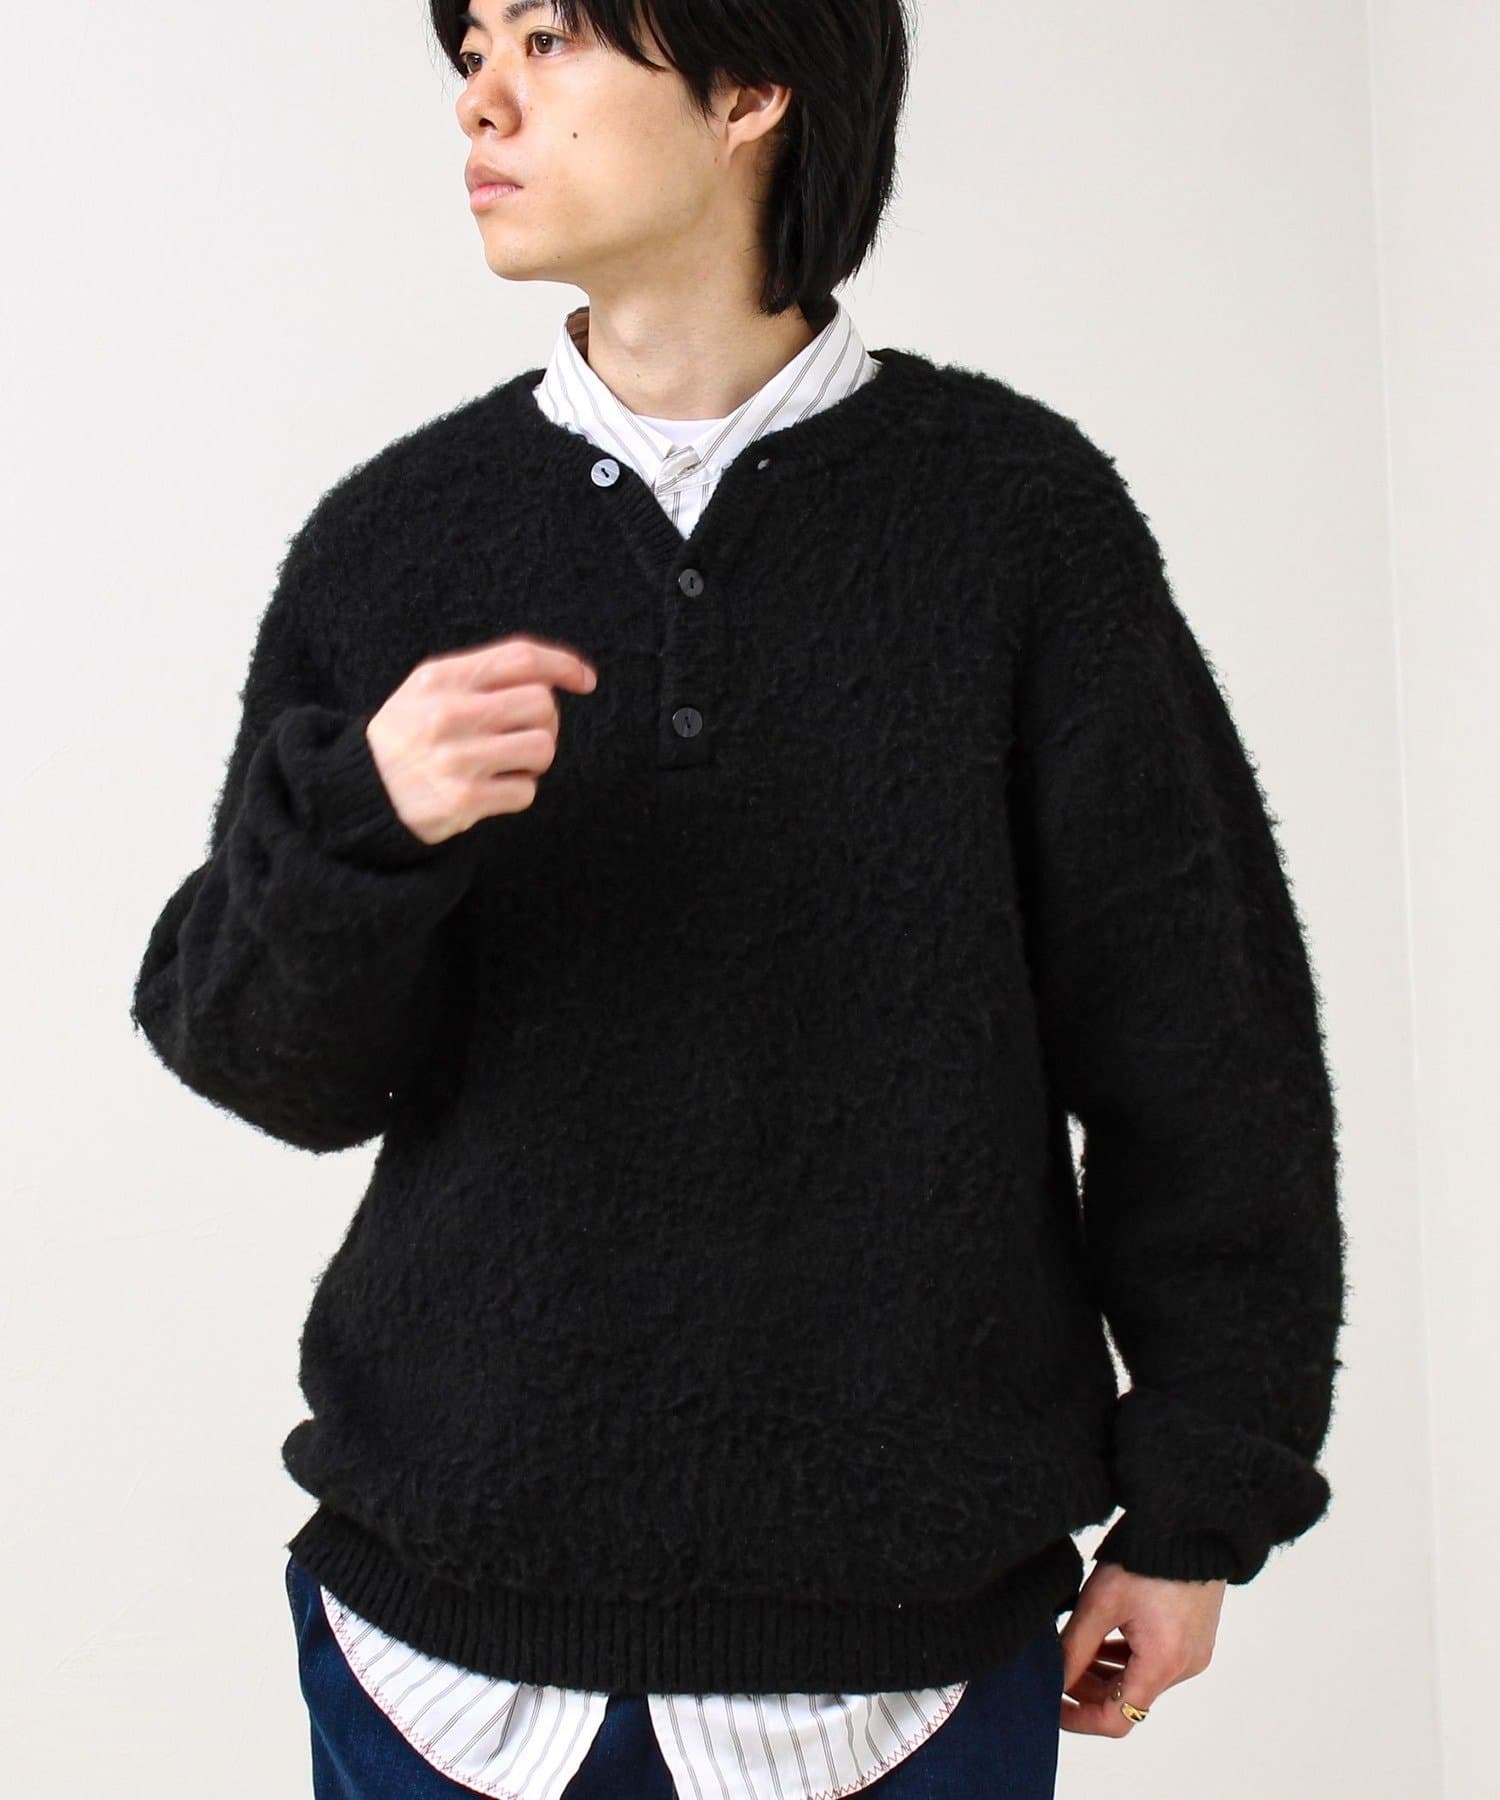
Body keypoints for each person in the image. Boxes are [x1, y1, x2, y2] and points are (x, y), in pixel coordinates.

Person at [130, 2, 1348, 1795]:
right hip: (433, 1660)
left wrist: (1196, 1509)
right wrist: (365, 826)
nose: (481, 99)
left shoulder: (1018, 523)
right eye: (471, 47)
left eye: (549, 38)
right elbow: (270, 1067)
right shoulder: (396, 541)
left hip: (905, 1664)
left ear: (753, 87)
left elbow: (1208, 1052)